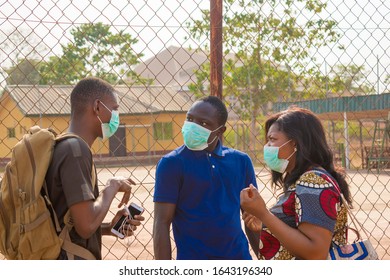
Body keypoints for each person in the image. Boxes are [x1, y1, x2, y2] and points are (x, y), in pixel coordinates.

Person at [45, 77, 144, 260]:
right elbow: (86, 226)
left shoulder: (63, 146)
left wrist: (107, 228)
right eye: (114, 109)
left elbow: (66, 222)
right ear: (97, 107)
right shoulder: (76, 150)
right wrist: (112, 187)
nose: (116, 116)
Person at [153, 95, 259, 260]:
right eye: (190, 119)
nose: (192, 126)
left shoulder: (241, 161)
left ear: (220, 130)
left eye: (203, 123)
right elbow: (161, 223)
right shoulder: (171, 163)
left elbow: (252, 218)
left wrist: (263, 258)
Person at [240, 106, 352, 260]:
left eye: (272, 140)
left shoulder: (313, 181)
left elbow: (316, 253)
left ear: (295, 143)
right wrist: (260, 225)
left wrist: (264, 214)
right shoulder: (303, 180)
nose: (267, 147)